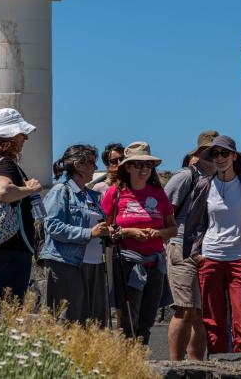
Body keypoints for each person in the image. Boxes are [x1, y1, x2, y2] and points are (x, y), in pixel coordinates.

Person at [181, 135, 241, 355]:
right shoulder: (204, 184)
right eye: (215, 154)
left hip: (240, 259)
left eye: (224, 153)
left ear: (234, 156)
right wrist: (196, 254)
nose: (219, 158)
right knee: (213, 320)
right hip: (210, 258)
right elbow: (193, 220)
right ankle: (218, 365)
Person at [102, 141, 176, 345]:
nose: (144, 169)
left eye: (148, 165)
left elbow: (173, 228)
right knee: (128, 320)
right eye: (138, 164)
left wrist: (157, 233)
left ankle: (140, 362)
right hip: (127, 263)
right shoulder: (115, 193)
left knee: (146, 320)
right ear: (127, 167)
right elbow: (105, 228)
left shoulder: (158, 193)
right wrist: (128, 232)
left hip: (155, 264)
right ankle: (126, 366)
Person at [0, 108, 44, 303]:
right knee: (10, 308)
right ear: (10, 137)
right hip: (11, 245)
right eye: (22, 134)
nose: (25, 139)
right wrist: (30, 189)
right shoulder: (5, 163)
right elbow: (3, 191)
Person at [41, 144, 112, 324]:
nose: (95, 168)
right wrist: (89, 232)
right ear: (78, 165)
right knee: (68, 321)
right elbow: (53, 226)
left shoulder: (92, 195)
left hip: (94, 263)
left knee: (95, 321)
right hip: (68, 263)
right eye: (91, 163)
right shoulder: (61, 191)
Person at [164, 130, 217, 360]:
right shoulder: (186, 176)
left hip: (207, 250)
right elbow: (165, 211)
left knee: (200, 313)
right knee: (184, 310)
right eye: (208, 151)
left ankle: (196, 366)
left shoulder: (221, 179)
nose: (212, 156)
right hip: (182, 247)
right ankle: (175, 366)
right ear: (198, 153)